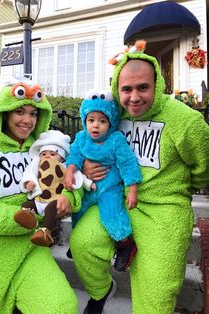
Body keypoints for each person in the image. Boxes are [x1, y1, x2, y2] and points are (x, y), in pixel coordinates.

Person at [57, 41, 209, 314]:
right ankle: (102, 291)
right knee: (82, 244)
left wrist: (181, 187)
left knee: (156, 293)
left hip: (163, 210)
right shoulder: (111, 115)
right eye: (126, 89)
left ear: (158, 84)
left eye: (143, 88)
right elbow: (86, 148)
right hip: (118, 199)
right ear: (117, 89)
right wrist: (84, 169)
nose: (134, 98)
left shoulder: (185, 121)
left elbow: (204, 165)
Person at [0, 78, 77, 314]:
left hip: (32, 250)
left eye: (33, 113)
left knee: (60, 307)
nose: (28, 120)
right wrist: (34, 220)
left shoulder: (45, 148)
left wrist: (70, 199)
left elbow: (70, 180)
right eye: (20, 111)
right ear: (4, 112)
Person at [64, 90, 142, 272]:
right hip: (89, 187)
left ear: (111, 123)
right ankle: (76, 243)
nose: (96, 126)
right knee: (79, 211)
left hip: (109, 187)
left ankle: (124, 243)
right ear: (85, 121)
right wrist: (69, 172)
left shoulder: (116, 140)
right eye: (91, 120)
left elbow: (127, 163)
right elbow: (74, 156)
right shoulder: (82, 138)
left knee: (111, 214)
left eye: (102, 121)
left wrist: (132, 189)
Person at [14, 129, 94, 247]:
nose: (47, 157)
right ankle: (28, 218)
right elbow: (28, 173)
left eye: (52, 154)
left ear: (61, 157)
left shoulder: (65, 166)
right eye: (44, 154)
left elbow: (78, 175)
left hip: (54, 199)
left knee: (51, 210)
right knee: (27, 205)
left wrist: (88, 183)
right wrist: (27, 183)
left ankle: (45, 231)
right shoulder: (36, 165)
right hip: (38, 199)